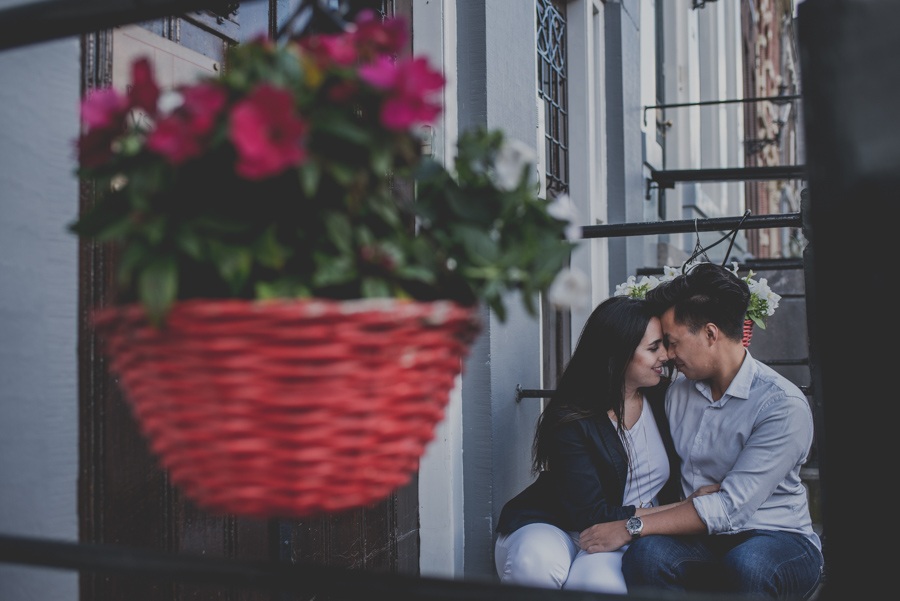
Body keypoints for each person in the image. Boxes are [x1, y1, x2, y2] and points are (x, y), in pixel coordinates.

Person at [579, 263, 824, 598]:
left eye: (672, 342)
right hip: (705, 538)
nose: (667, 355)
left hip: (778, 537)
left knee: (747, 565)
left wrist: (630, 526)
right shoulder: (677, 393)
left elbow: (729, 508)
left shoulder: (781, 405)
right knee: (647, 555)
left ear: (710, 334)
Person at [494, 296, 715, 593]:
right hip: (555, 525)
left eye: (664, 344)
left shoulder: (665, 398)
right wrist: (682, 509)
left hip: (620, 534)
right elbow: (591, 514)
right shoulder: (571, 417)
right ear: (620, 354)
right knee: (535, 564)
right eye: (653, 348)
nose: (665, 355)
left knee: (597, 584)